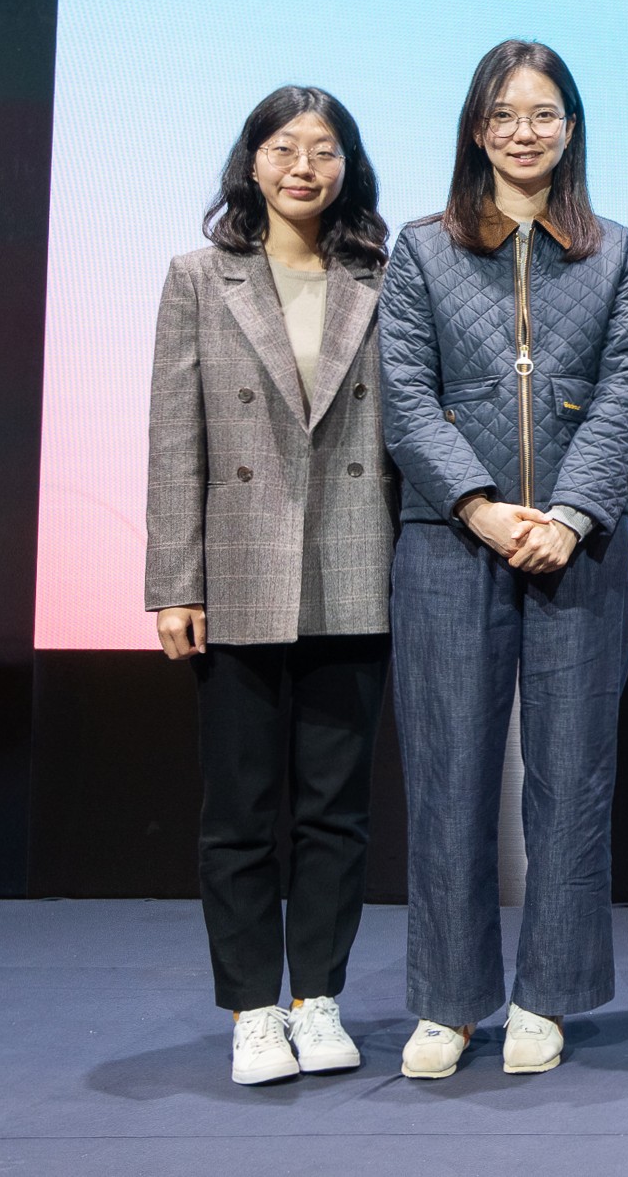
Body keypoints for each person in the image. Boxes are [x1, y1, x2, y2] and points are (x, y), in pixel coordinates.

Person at [377, 39, 628, 1082]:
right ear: (476, 130)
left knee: (572, 781)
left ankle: (548, 995)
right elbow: (405, 397)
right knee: (447, 776)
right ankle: (448, 1004)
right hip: (449, 543)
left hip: (581, 550)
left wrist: (572, 516)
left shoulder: (617, 253)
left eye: (543, 114)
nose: (524, 132)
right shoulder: (421, 250)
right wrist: (481, 508)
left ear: (570, 129)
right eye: (504, 115)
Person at [144, 86, 400, 1086]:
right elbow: (176, 439)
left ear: (349, 166)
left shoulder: (382, 273)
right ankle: (253, 1009)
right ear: (251, 160)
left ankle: (317, 1000)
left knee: (336, 809)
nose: (304, 166)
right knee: (240, 810)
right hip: (240, 565)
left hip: (354, 557)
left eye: (324, 149)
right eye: (284, 147)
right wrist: (174, 582)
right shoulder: (199, 276)